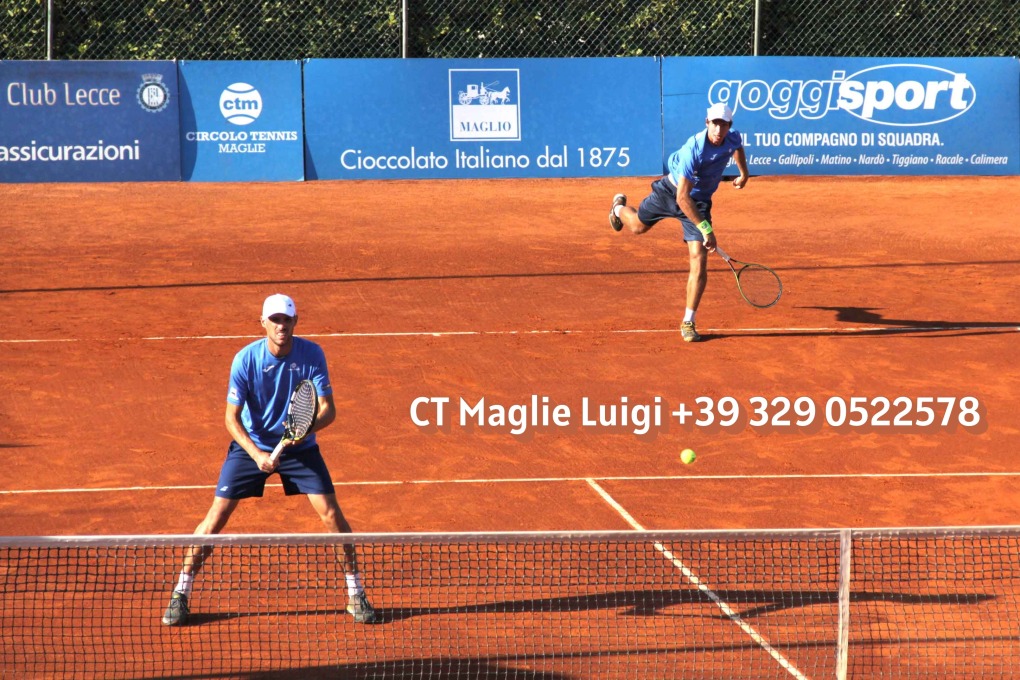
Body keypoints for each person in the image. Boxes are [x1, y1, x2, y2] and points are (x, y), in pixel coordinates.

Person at [161, 294, 377, 626]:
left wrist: (303, 431)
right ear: (262, 322)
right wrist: (256, 454)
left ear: (295, 322)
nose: (281, 326)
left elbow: (328, 411)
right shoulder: (245, 360)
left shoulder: (312, 354)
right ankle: (181, 592)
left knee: (332, 515)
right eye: (275, 320)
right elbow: (231, 418)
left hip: (299, 449)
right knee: (215, 518)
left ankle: (355, 593)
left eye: (287, 320)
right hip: (254, 445)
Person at [609, 102, 750, 343]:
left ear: (729, 126)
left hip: (700, 201)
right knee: (637, 227)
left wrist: (744, 173)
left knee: (699, 259)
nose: (718, 130)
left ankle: (688, 321)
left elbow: (736, 147)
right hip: (672, 192)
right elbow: (682, 198)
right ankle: (618, 208)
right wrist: (706, 229)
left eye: (723, 125)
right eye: (715, 124)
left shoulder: (732, 137)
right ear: (707, 123)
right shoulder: (694, 149)